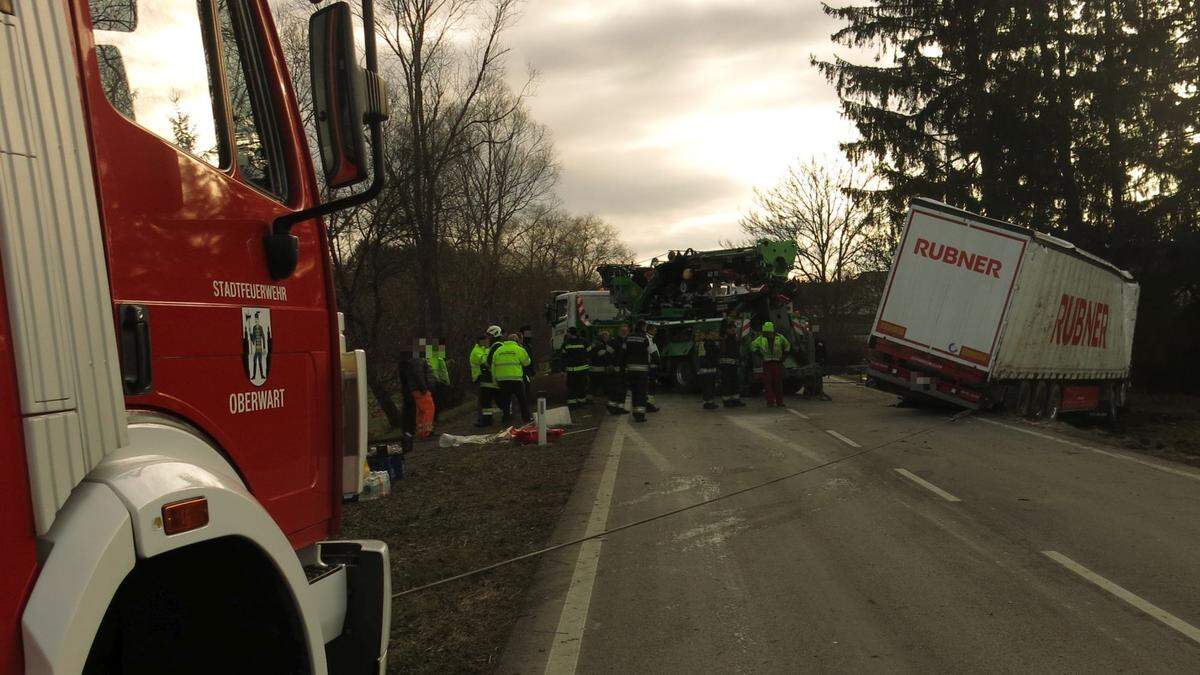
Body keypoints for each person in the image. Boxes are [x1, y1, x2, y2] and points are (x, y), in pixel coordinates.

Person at [490, 332, 532, 425]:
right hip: (516, 379)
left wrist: (495, 380)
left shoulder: (498, 350)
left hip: (502, 380)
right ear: (516, 341)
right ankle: (526, 418)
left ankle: (506, 419)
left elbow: (493, 367)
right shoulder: (519, 349)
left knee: (505, 402)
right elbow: (527, 362)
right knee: (522, 400)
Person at [751, 321, 791, 407]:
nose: (766, 334)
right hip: (767, 363)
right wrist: (760, 355)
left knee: (778, 383)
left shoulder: (780, 338)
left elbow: (787, 346)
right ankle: (770, 402)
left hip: (777, 363)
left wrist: (784, 357)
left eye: (767, 332)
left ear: (771, 332)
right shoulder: (761, 338)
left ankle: (779, 402)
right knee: (768, 384)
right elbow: (753, 346)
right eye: (765, 333)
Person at [622, 321, 651, 422]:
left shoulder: (628, 337)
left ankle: (635, 413)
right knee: (641, 393)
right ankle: (640, 415)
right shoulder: (644, 338)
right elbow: (649, 352)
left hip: (630, 370)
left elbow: (623, 352)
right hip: (642, 370)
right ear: (643, 327)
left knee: (634, 392)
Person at [470, 332, 499, 427]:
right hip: (480, 377)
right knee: (483, 401)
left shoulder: (484, 349)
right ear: (481, 341)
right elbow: (485, 361)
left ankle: (487, 419)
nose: (488, 342)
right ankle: (483, 420)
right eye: (486, 340)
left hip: (485, 377)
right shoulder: (476, 351)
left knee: (486, 401)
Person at [562, 327, 591, 409]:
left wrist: (564, 367)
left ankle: (572, 405)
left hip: (572, 370)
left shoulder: (566, 343)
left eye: (568, 332)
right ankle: (581, 403)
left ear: (571, 333)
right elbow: (590, 353)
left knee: (572, 387)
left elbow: (563, 356)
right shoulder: (584, 341)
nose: (567, 334)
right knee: (581, 386)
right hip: (582, 369)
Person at [719, 321, 745, 407]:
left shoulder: (734, 338)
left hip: (733, 364)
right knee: (727, 383)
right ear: (727, 329)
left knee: (735, 382)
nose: (734, 330)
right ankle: (727, 401)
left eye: (734, 328)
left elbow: (736, 351)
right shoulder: (725, 339)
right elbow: (725, 352)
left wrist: (740, 358)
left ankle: (735, 400)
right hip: (726, 365)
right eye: (731, 328)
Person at [609, 324, 630, 414]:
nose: (624, 332)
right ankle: (612, 407)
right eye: (622, 331)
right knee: (616, 389)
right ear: (619, 331)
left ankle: (620, 408)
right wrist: (611, 365)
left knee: (623, 389)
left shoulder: (627, 341)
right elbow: (608, 355)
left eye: (625, 331)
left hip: (624, 369)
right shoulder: (613, 342)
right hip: (616, 369)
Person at [696, 330, 721, 410]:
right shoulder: (703, 344)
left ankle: (710, 402)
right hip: (706, 369)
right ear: (706, 335)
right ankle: (707, 403)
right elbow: (702, 357)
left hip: (711, 368)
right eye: (710, 334)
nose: (712, 335)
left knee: (711, 386)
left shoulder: (712, 343)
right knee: (707, 387)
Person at [589, 330, 612, 400]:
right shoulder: (601, 345)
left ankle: (590, 399)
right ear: (604, 337)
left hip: (593, 368)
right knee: (601, 385)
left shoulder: (595, 343)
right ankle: (601, 402)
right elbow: (604, 357)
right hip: (599, 369)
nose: (608, 339)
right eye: (607, 337)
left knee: (592, 385)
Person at [646, 323, 661, 413]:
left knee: (652, 386)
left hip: (651, 366)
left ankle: (650, 404)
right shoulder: (648, 339)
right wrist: (658, 361)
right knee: (651, 386)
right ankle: (649, 405)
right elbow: (652, 352)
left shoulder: (649, 338)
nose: (656, 331)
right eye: (655, 330)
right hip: (651, 367)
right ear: (650, 330)